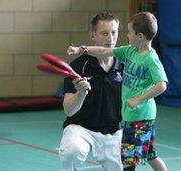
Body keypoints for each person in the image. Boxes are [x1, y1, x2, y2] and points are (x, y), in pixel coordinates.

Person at [68, 11, 168, 171]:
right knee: (148, 154)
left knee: (130, 159)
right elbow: (104, 51)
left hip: (141, 116)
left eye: (130, 32)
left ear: (140, 36)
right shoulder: (130, 51)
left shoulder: (151, 59)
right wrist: (82, 49)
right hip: (131, 116)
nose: (127, 35)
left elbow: (162, 85)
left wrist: (138, 100)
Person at [59, 12, 124, 171]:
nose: (110, 38)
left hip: (114, 131)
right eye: (104, 33)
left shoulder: (126, 65)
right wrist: (81, 93)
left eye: (114, 32)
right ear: (93, 35)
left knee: (127, 166)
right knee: (71, 152)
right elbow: (69, 110)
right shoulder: (78, 66)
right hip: (81, 128)